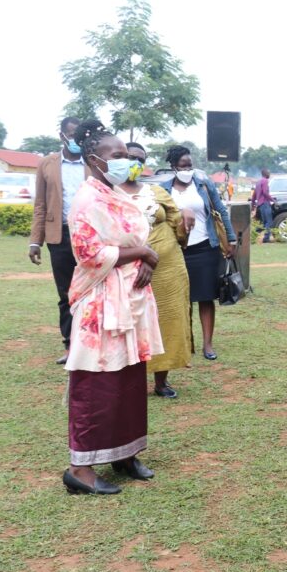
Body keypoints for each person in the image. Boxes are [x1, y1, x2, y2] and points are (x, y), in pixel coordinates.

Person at [62, 120, 163, 495]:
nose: (126, 162)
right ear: (94, 160)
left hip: (129, 299)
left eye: (126, 154)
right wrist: (142, 253)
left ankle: (125, 452)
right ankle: (81, 469)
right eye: (117, 156)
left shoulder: (117, 193)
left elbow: (141, 238)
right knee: (97, 382)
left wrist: (148, 260)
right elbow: (88, 254)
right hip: (100, 305)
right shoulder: (88, 200)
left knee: (130, 379)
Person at [123, 143, 191, 399]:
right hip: (128, 269)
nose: (134, 163)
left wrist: (187, 216)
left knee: (167, 320)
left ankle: (161, 381)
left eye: (140, 159)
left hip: (168, 269)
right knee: (131, 322)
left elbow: (178, 225)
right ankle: (129, 381)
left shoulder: (155, 191)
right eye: (129, 158)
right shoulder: (107, 194)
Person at [161, 146, 236, 361]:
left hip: (205, 247)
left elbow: (220, 210)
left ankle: (208, 344)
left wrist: (230, 238)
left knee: (205, 297)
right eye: (184, 166)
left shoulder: (203, 184)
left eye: (190, 165)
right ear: (174, 166)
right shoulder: (164, 189)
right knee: (181, 299)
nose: (188, 169)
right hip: (177, 250)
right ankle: (187, 341)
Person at [28, 117, 88, 364]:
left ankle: (91, 343)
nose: (76, 140)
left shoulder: (93, 163)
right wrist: (35, 241)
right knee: (66, 293)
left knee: (90, 291)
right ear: (62, 135)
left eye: (80, 135)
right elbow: (40, 204)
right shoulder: (47, 164)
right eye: (72, 134)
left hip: (90, 235)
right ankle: (70, 345)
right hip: (60, 236)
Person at [251, 168, 275, 243]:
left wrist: (253, 205)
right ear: (265, 173)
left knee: (264, 222)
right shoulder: (265, 181)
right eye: (269, 173)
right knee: (269, 222)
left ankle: (253, 234)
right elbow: (265, 192)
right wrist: (273, 200)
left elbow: (254, 194)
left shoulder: (258, 182)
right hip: (265, 203)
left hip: (260, 204)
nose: (269, 174)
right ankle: (266, 238)